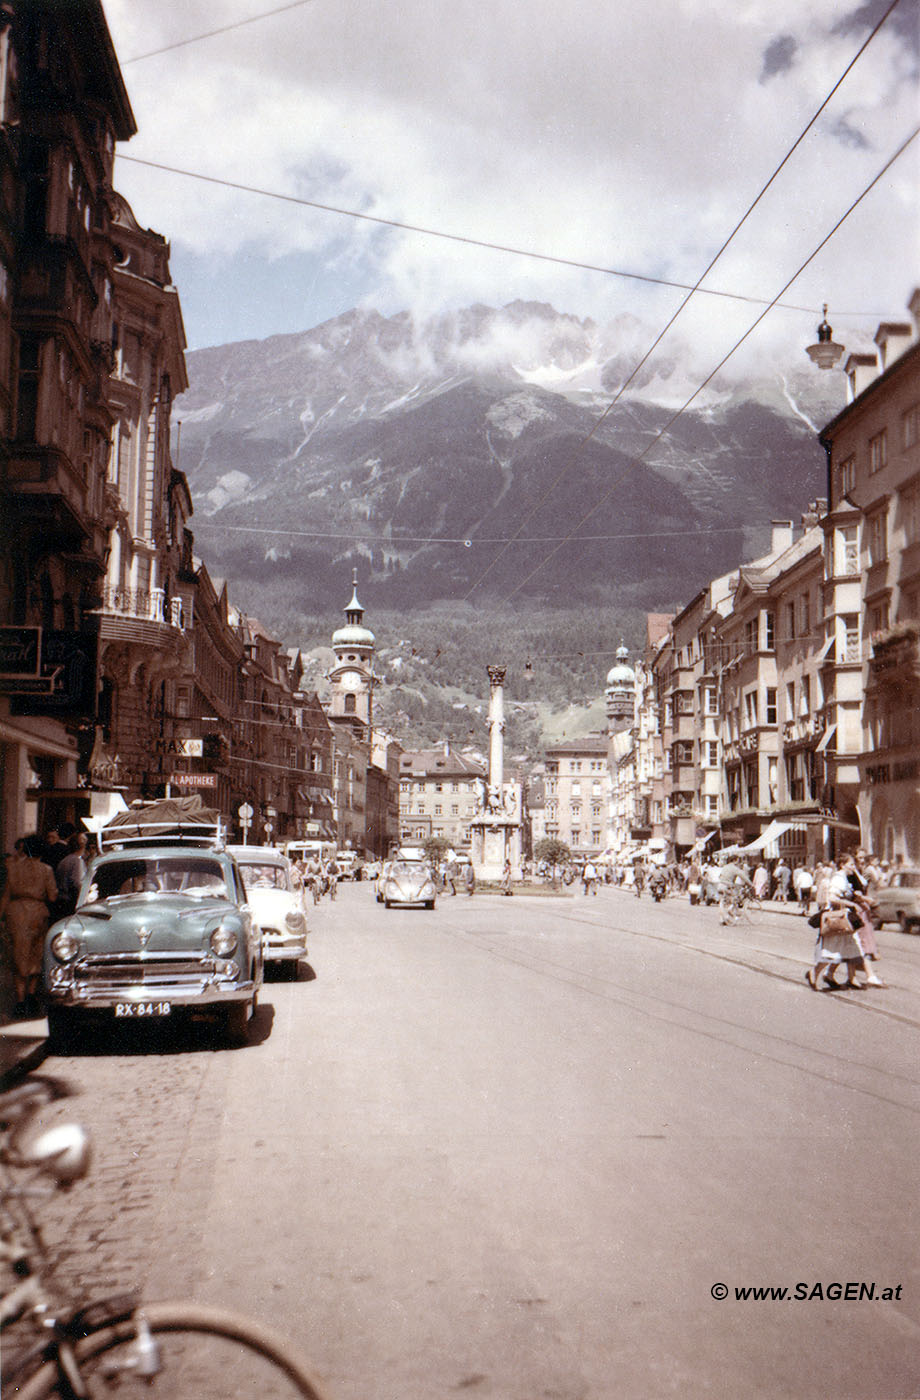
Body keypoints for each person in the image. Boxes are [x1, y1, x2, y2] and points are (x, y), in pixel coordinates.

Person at [0, 835, 58, 1015]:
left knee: (17, 954)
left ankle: (19, 1000)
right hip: (38, 913)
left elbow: (6, 894)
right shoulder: (46, 870)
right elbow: (52, 896)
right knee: (35, 954)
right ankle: (31, 995)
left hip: (15, 912)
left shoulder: (12, 868)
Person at [54, 832, 88, 916]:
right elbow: (77, 882)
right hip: (70, 901)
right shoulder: (77, 861)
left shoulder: (65, 860)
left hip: (61, 900)